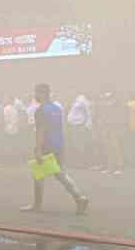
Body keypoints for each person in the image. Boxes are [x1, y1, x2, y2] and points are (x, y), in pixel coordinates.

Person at [21, 83, 89, 214]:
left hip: (46, 145)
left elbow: (40, 130)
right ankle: (79, 197)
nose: (35, 95)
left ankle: (37, 205)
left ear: (42, 93)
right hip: (58, 144)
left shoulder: (40, 110)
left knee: (39, 174)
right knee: (59, 173)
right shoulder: (57, 108)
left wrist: (38, 149)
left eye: (36, 93)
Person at [95, 91, 126, 175]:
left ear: (114, 99)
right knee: (108, 148)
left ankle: (119, 167)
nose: (107, 101)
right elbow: (104, 117)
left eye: (109, 98)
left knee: (115, 148)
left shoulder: (117, 107)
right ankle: (110, 167)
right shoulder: (106, 107)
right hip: (107, 129)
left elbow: (119, 119)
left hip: (114, 129)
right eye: (106, 99)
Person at [67, 93, 92, 168]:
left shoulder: (83, 100)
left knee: (80, 144)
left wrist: (88, 124)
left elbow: (88, 112)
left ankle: (83, 163)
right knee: (76, 144)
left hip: (79, 125)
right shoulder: (77, 100)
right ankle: (78, 162)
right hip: (74, 125)